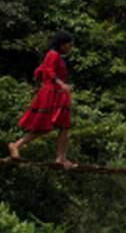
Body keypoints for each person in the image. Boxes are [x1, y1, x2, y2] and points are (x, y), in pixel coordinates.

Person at [9, 32, 76, 167]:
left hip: (57, 93)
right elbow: (49, 71)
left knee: (62, 126)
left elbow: (40, 72)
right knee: (50, 126)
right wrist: (61, 84)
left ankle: (60, 157)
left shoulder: (57, 57)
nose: (70, 48)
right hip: (52, 93)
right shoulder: (52, 54)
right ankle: (17, 144)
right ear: (62, 44)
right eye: (69, 45)